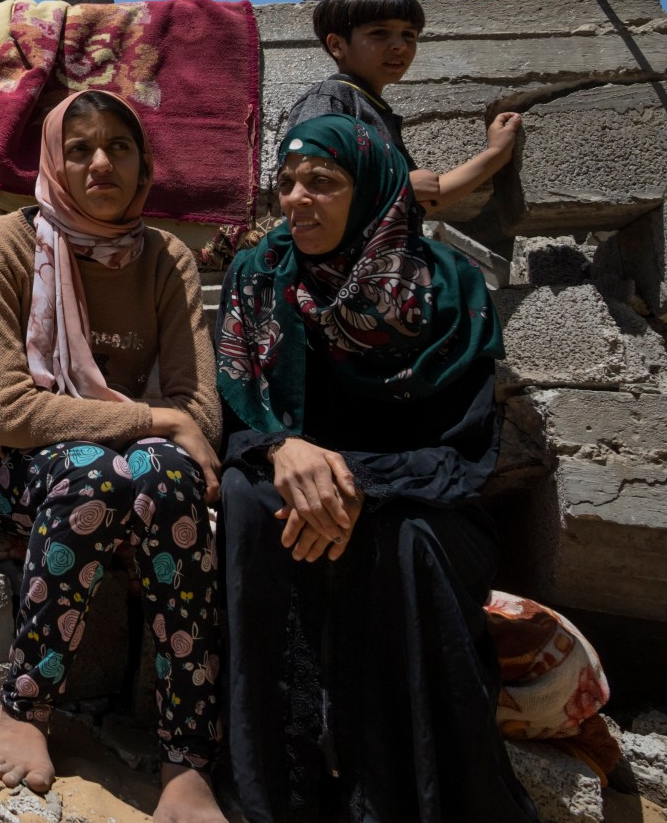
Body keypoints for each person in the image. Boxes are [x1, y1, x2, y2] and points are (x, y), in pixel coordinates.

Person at [213, 115, 536, 823]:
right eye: (288, 183)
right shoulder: (259, 277)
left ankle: (399, 801)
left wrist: (359, 485)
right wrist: (282, 447)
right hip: (295, 484)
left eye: (322, 183)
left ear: (374, 191)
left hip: (424, 499)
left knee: (409, 541)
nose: (298, 199)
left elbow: (465, 447)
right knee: (244, 500)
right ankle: (281, 793)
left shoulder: (444, 289)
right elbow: (239, 419)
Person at [0, 89, 227, 822]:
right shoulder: (4, 245)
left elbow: (201, 408)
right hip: (20, 472)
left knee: (161, 477)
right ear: (52, 160)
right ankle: (26, 705)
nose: (99, 162)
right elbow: (8, 411)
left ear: (145, 168)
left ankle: (186, 757)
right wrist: (154, 419)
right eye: (78, 148)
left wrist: (165, 428)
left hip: (139, 469)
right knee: (99, 476)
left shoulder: (166, 258)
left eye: (118, 147)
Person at [286, 0, 520, 213]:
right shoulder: (332, 97)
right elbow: (305, 183)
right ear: (337, 45)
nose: (400, 45)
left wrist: (497, 154)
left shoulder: (373, 107)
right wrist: (400, 188)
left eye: (409, 35)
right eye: (379, 33)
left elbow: (428, 198)